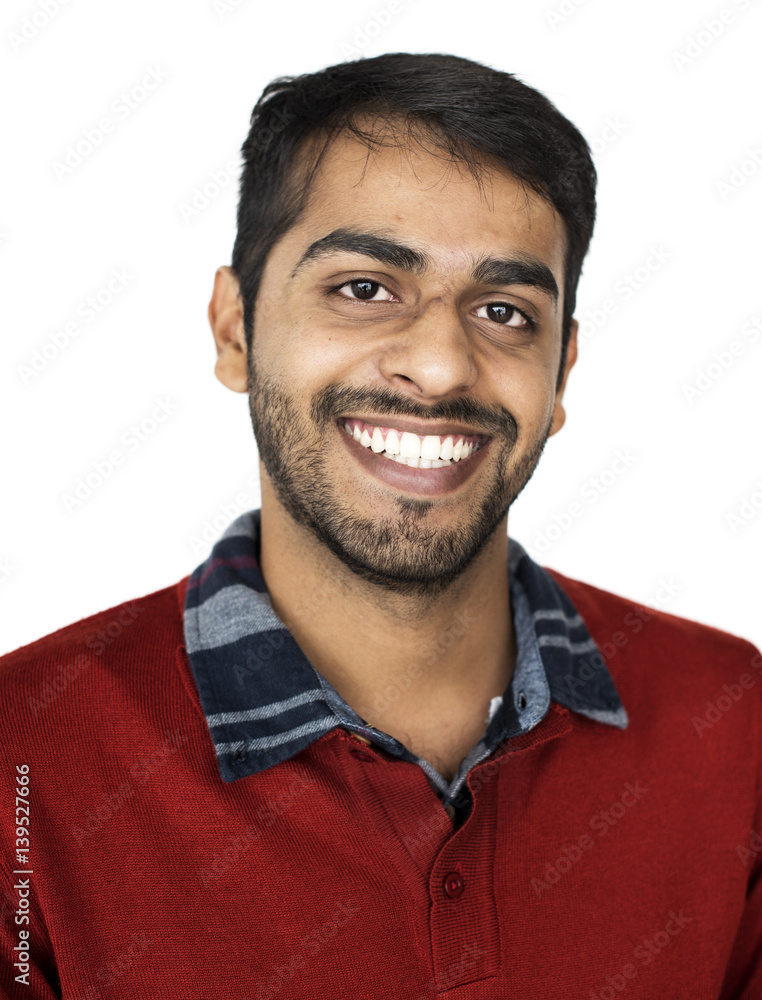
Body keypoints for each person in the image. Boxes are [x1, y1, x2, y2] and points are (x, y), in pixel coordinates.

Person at [1, 52, 759, 999]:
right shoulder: (20, 765)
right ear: (235, 330)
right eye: (364, 288)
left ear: (562, 373)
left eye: (502, 310)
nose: (440, 366)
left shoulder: (738, 723)